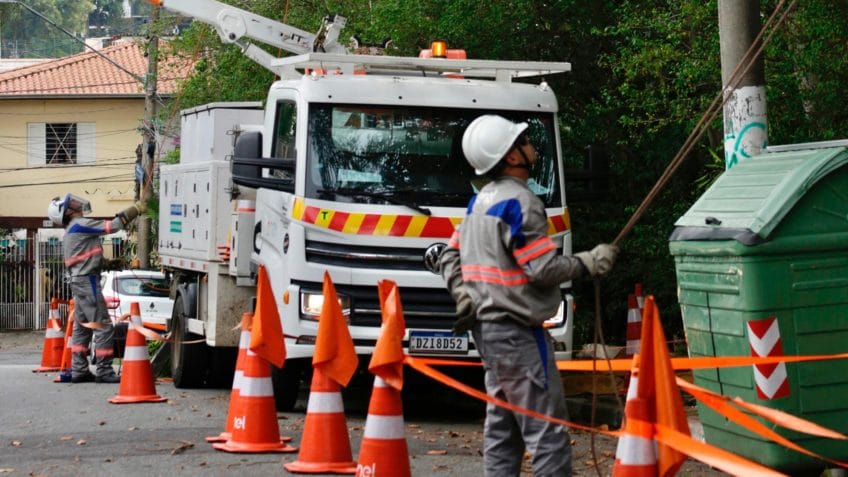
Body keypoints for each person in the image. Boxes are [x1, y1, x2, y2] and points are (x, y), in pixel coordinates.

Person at [439, 115, 618, 476]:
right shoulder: (521, 203)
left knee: (503, 433)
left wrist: (463, 293)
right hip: (519, 334)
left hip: (489, 335)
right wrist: (589, 262)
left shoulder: (481, 203)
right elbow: (542, 270)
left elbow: (448, 254)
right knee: (546, 432)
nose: (531, 146)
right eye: (524, 141)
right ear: (511, 157)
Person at [47, 194, 145, 384]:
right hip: (87, 281)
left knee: (82, 328)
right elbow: (113, 226)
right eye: (72, 204)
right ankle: (104, 370)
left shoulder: (71, 230)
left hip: (79, 281)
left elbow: (85, 256)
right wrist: (135, 210)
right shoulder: (79, 224)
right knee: (103, 325)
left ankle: (79, 370)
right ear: (66, 212)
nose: (77, 203)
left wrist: (107, 263)